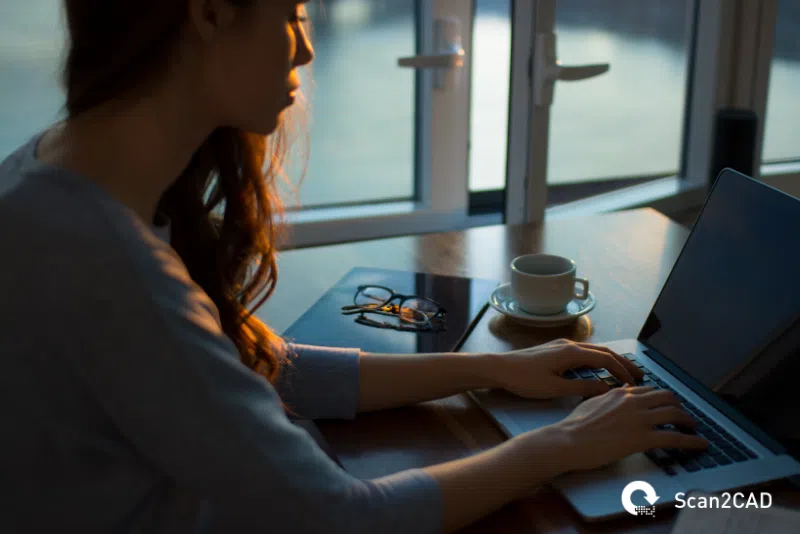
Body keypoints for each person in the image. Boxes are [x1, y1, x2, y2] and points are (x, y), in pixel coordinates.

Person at [0, 1, 709, 532]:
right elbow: (342, 520)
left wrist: (488, 371)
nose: (306, 49)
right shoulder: (109, 266)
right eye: (293, 13)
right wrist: (560, 445)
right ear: (210, 13)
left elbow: (236, 367)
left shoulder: (49, 173)